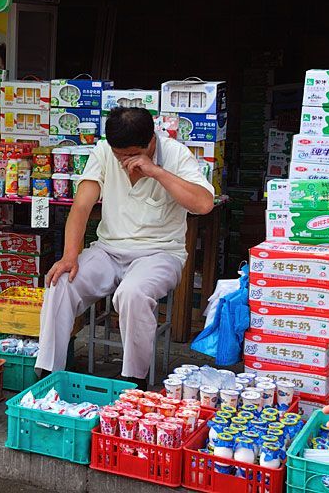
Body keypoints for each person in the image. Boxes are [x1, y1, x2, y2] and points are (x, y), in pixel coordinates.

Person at [36, 107, 215, 389]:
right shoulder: (105, 152)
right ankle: (47, 375)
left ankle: (133, 381)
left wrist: (156, 172)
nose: (123, 161)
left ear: (151, 141)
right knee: (60, 283)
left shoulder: (176, 154)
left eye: (130, 154)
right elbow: (82, 206)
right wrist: (70, 255)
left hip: (160, 254)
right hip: (108, 250)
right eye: (119, 154)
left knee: (132, 293)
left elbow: (203, 204)